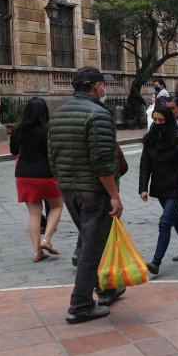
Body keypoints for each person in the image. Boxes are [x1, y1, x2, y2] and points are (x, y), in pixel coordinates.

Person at [48, 66, 125, 324]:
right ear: (96, 86)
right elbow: (103, 160)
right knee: (91, 248)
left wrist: (64, 181)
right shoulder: (98, 114)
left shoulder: (58, 114)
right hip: (93, 190)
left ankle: (106, 288)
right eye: (103, 84)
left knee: (94, 241)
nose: (104, 88)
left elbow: (52, 154)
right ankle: (80, 305)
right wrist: (114, 195)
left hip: (69, 188)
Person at [139, 105, 178, 276]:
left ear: (168, 121)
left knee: (165, 222)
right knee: (175, 217)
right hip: (159, 186)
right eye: (154, 120)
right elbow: (145, 164)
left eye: (160, 120)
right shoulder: (151, 139)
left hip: (177, 186)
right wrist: (143, 187)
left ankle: (156, 262)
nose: (157, 123)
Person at [11, 98, 64, 262]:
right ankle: (46, 239)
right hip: (45, 173)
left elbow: (13, 151)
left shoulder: (18, 129)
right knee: (57, 206)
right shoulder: (49, 129)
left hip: (23, 175)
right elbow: (55, 152)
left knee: (34, 214)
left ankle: (37, 252)